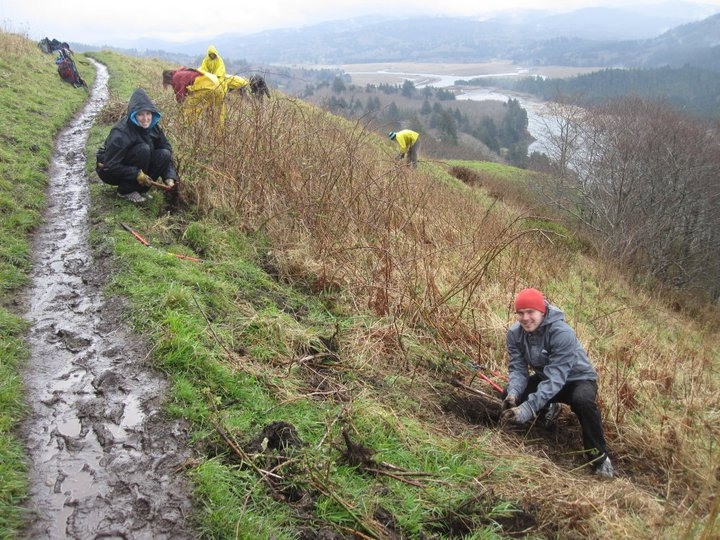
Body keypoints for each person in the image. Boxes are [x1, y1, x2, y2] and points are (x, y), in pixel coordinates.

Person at [500, 288, 615, 479]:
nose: (525, 318)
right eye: (520, 313)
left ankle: (599, 458)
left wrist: (527, 409)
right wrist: (513, 394)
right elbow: (518, 369)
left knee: (583, 402)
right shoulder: (514, 334)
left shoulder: (562, 333)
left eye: (530, 312)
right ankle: (548, 409)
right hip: (547, 378)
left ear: (542, 312)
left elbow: (556, 378)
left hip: (577, 379)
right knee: (509, 394)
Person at [96, 88, 178, 203]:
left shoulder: (154, 127)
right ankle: (125, 191)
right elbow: (110, 165)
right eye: (140, 115)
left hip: (135, 164)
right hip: (108, 169)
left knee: (164, 153)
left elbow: (165, 149)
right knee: (143, 149)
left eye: (148, 114)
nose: (145, 119)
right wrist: (136, 173)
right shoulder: (120, 132)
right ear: (133, 115)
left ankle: (140, 190)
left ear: (152, 113)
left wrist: (169, 176)